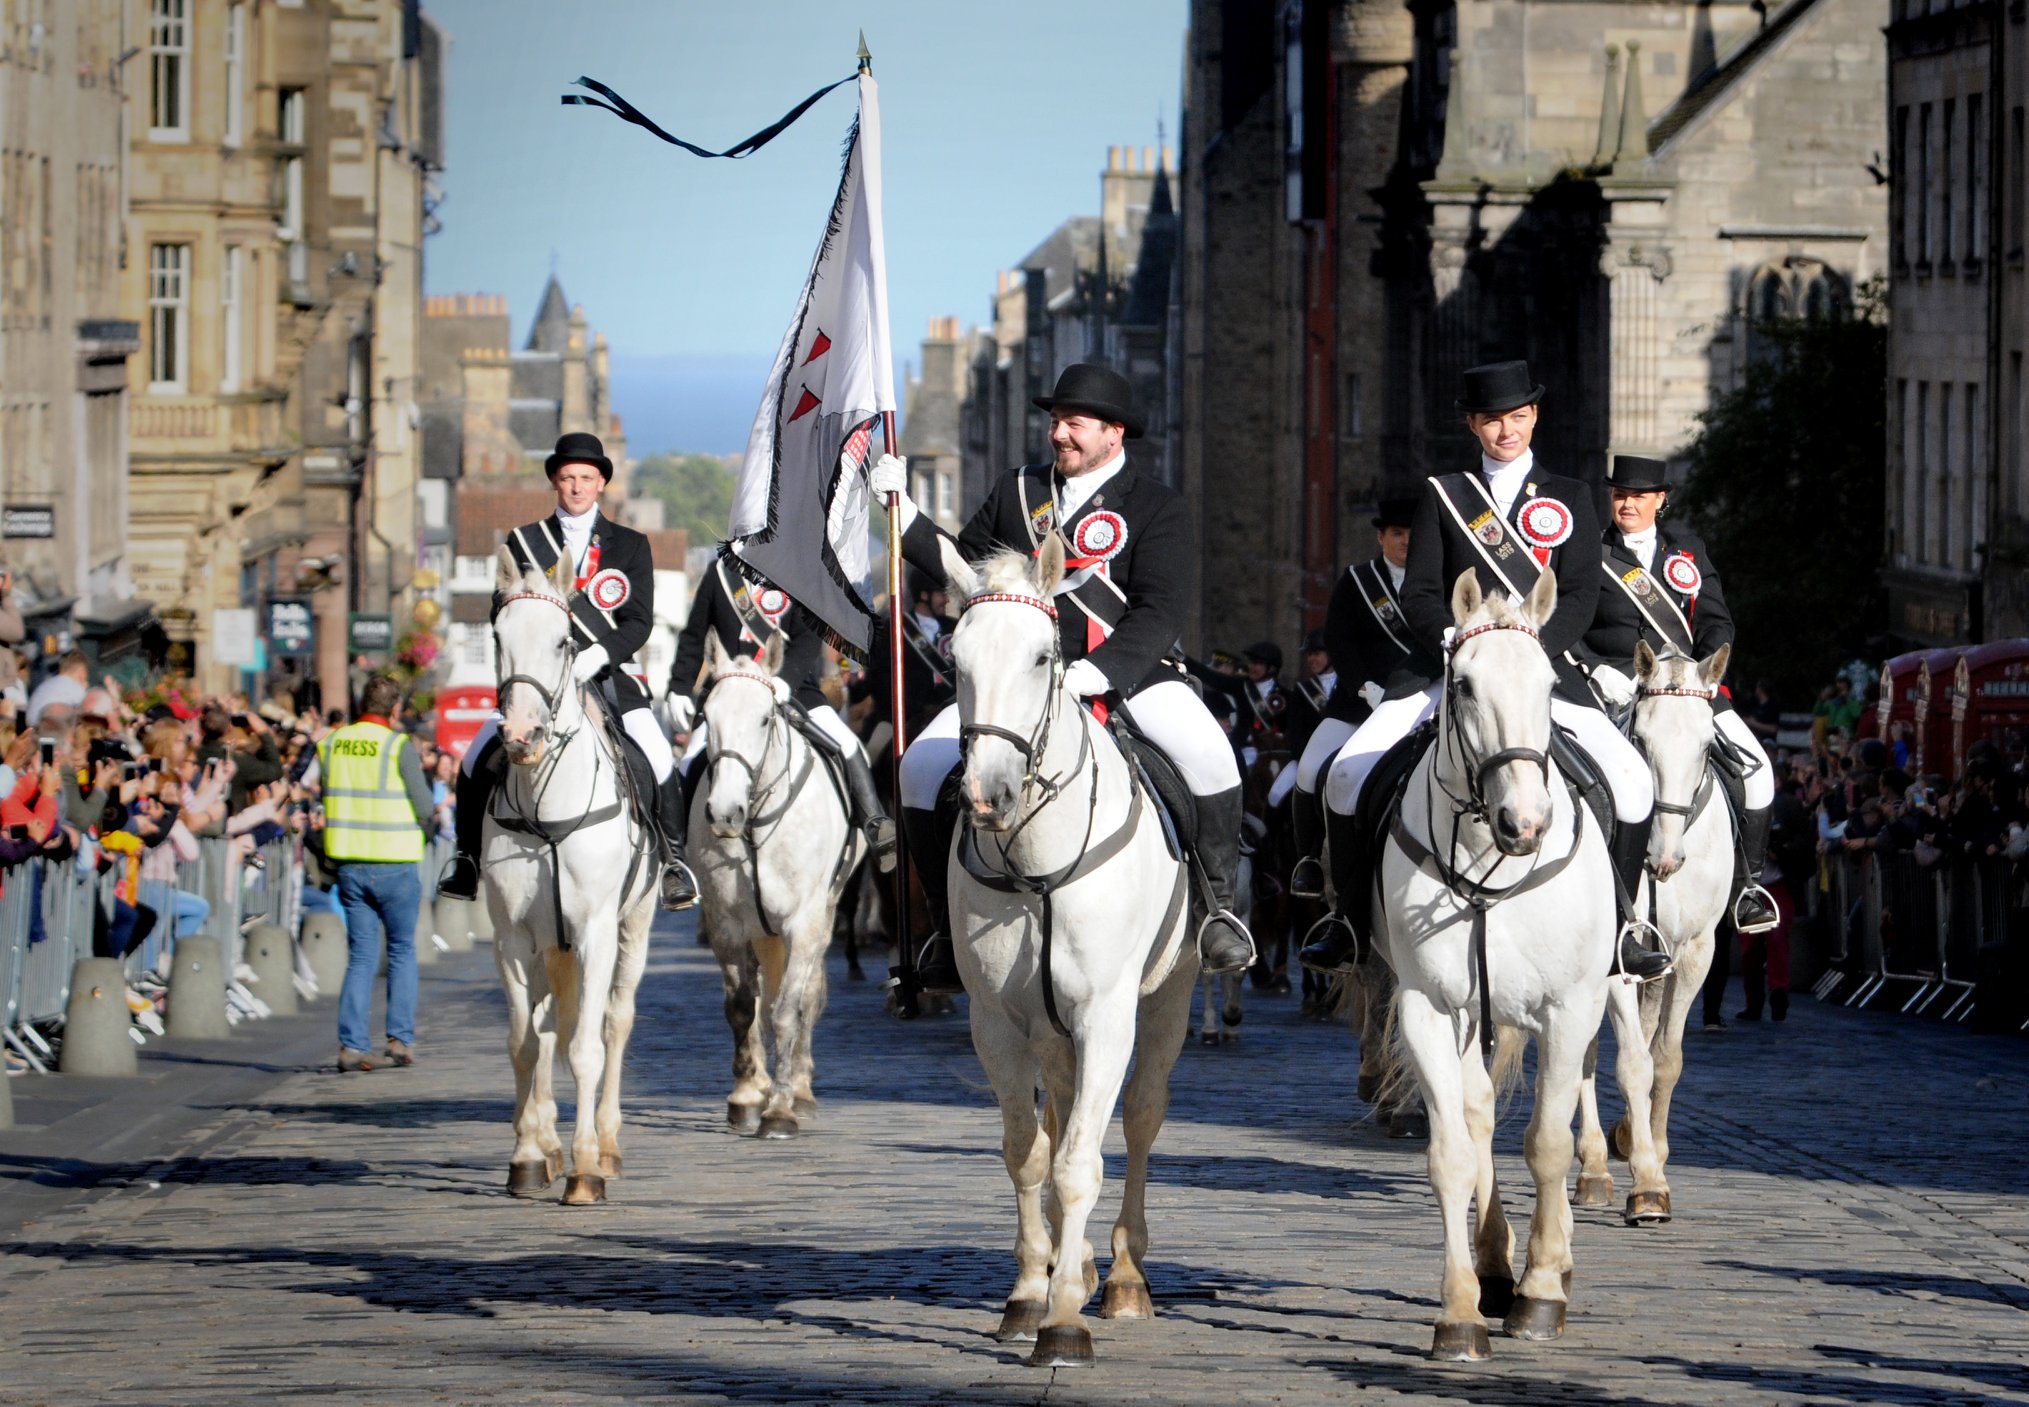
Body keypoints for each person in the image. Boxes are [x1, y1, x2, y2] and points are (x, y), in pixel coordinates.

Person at [869, 361, 1257, 992]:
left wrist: (1095, 675)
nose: (1059, 434)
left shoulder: (1158, 507)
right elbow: (964, 571)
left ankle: (1216, 912)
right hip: (1017, 679)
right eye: (1055, 422)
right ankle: (946, 926)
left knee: (1212, 758)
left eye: (1074, 423)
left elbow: (1159, 612)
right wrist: (903, 514)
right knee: (916, 769)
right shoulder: (1017, 492)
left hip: (1128, 673)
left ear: (1114, 433)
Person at [1304, 360, 1666, 978]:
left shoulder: (1572, 496)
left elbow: (1579, 596)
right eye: (1494, 420)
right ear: (1474, 425)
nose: (1507, 430)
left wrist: (1528, 647)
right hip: (1451, 670)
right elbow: (1419, 592)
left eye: (1518, 417)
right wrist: (1459, 638)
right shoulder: (1444, 494)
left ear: (1535, 418)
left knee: (1631, 782)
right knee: (1343, 777)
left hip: (1541, 669)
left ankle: (1624, 925)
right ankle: (1349, 924)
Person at [437, 431, 696, 910]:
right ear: (555, 483)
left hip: (610, 679)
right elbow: (501, 610)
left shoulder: (630, 545)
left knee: (659, 759)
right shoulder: (524, 541)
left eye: (586, 478)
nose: (576, 487)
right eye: (567, 478)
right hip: (538, 680)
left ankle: (674, 863)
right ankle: (467, 859)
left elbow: (639, 621)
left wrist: (600, 654)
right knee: (475, 759)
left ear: (601, 484)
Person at [1574, 453, 1777, 933]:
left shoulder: (1688, 550)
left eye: (1638, 496)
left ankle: (1747, 887)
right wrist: (1597, 667)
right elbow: (1572, 623)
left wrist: (1703, 672)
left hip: (1688, 691)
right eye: (1620, 494)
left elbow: (1716, 622)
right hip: (1616, 687)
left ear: (1660, 500)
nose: (1627, 504)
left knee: (1760, 771)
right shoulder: (1589, 551)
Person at [664, 556, 896, 866]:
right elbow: (694, 636)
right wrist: (679, 686)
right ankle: (675, 855)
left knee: (846, 744)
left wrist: (784, 679)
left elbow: (808, 638)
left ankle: (874, 822)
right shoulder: (721, 573)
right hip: (730, 693)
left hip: (793, 687)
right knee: (689, 760)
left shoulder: (800, 571)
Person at [1286, 496, 1439, 901]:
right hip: (1361, 701)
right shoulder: (1358, 580)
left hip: (1425, 699)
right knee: (1311, 768)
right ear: (1381, 536)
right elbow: (1340, 640)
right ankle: (1310, 862)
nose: (1406, 542)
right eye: (1397, 534)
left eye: (1413, 535)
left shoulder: (1438, 581)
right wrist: (1364, 686)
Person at [320, 674, 433, 1073]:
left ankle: (351, 1046)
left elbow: (327, 792)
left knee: (361, 957)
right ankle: (399, 1040)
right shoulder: (397, 746)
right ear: (396, 709)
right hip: (395, 863)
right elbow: (423, 805)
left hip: (350, 864)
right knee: (401, 951)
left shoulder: (332, 743)